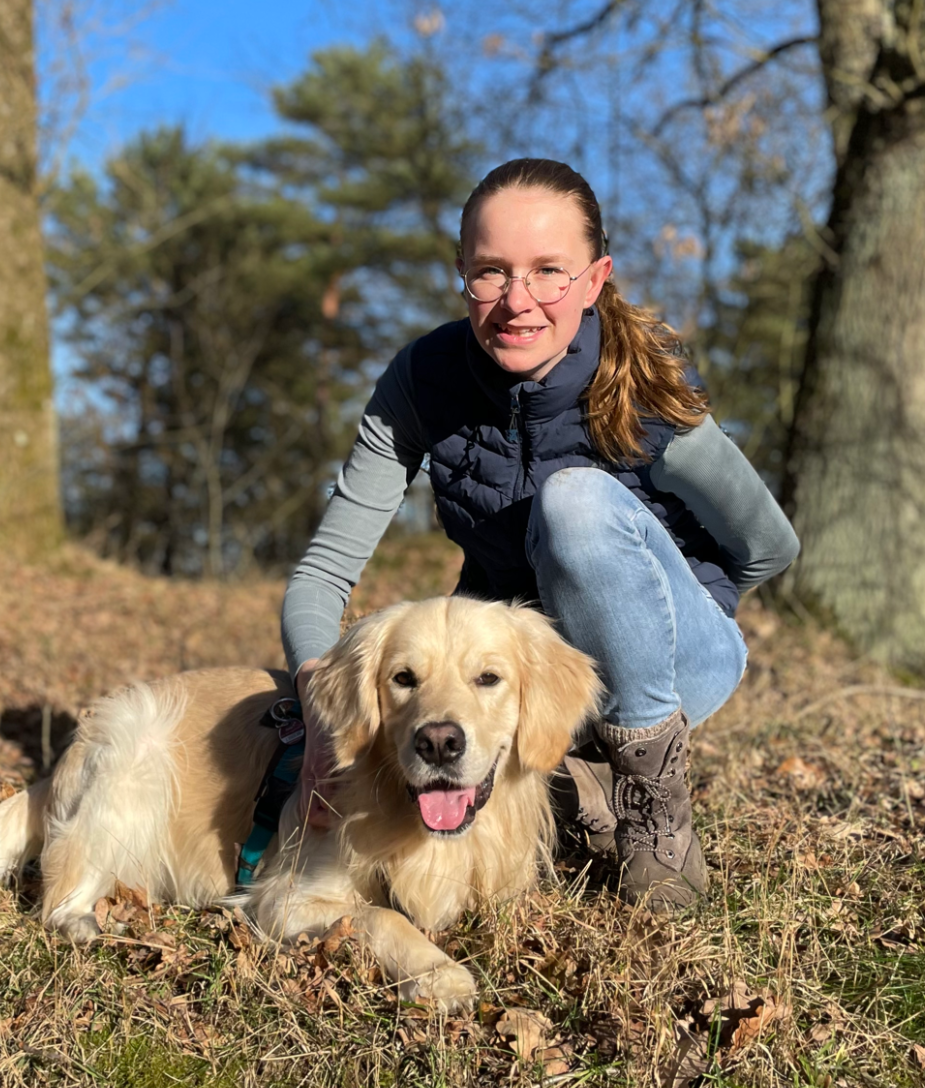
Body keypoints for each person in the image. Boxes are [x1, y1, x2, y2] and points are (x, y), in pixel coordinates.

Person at [281, 157, 799, 911]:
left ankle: (651, 797)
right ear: (462, 274)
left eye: (550, 271)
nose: (517, 301)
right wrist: (319, 715)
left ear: (594, 280)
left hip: (675, 661)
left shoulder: (647, 388)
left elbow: (769, 546)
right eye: (491, 272)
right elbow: (322, 575)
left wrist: (665, 617)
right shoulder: (423, 381)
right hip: (514, 678)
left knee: (575, 501)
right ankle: (577, 780)